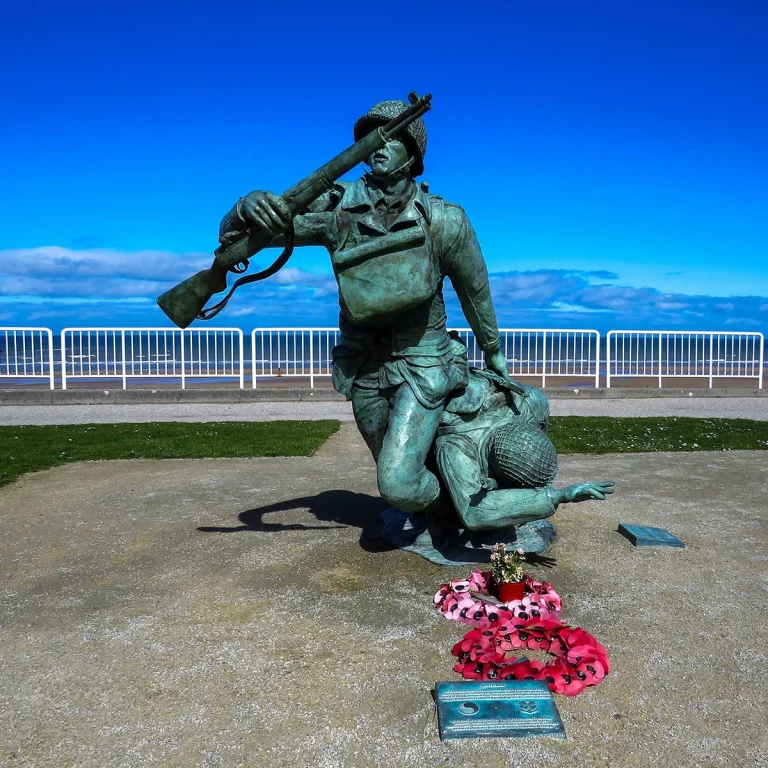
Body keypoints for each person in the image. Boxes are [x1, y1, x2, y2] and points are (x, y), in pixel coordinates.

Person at [218, 100, 509, 516]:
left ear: (413, 155)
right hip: (363, 366)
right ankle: (445, 512)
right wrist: (246, 206)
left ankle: (460, 510)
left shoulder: (444, 220)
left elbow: (475, 292)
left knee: (398, 482)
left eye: (390, 138)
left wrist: (494, 352)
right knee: (397, 474)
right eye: (370, 138)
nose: (377, 147)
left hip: (423, 362)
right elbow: (245, 237)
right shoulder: (337, 207)